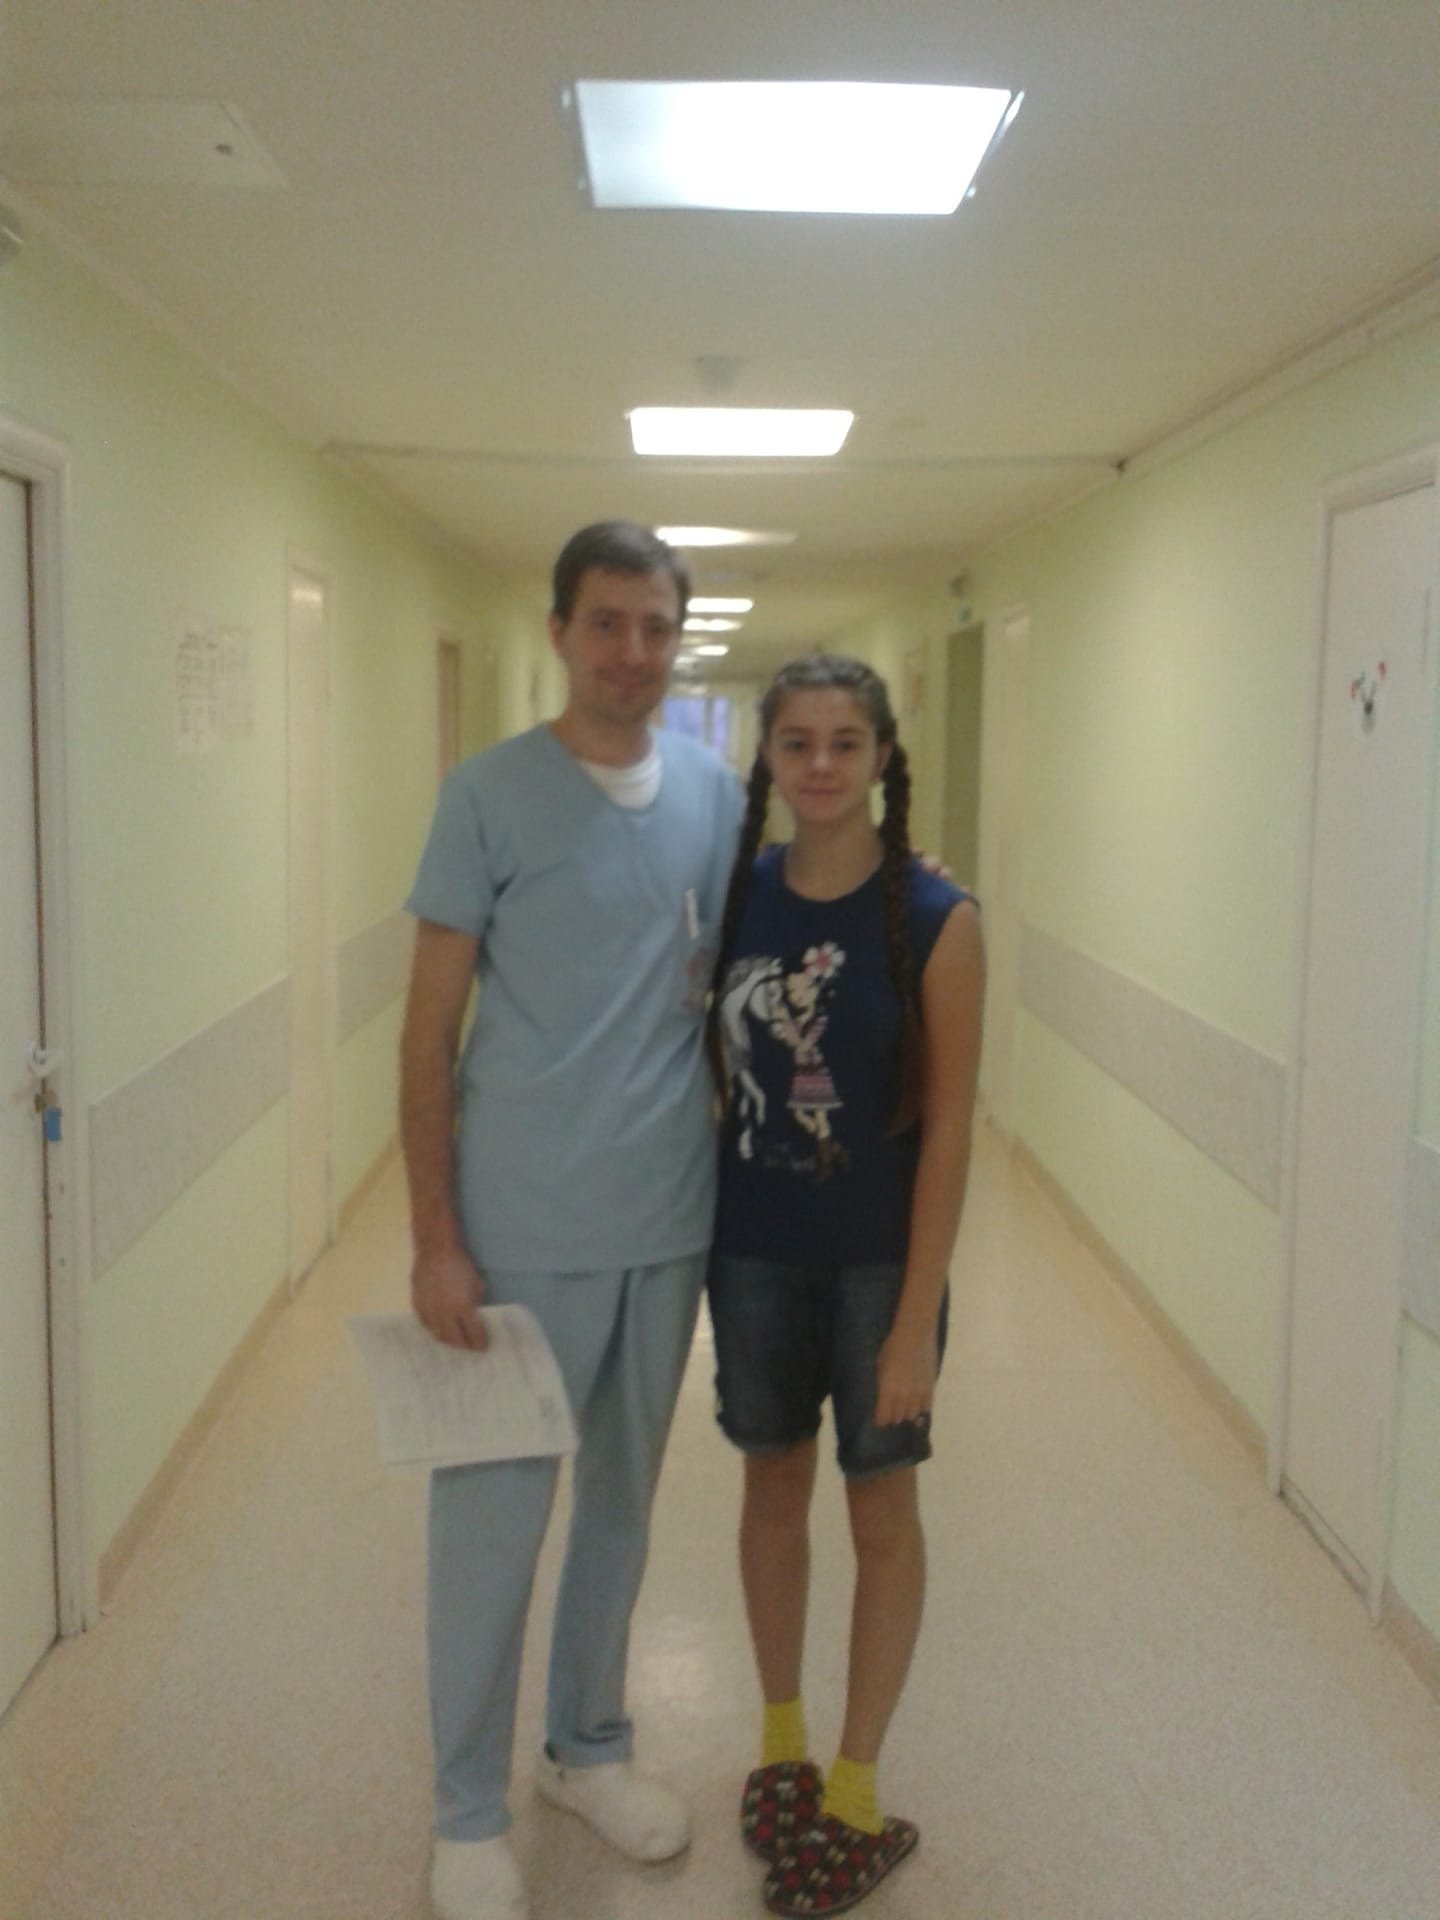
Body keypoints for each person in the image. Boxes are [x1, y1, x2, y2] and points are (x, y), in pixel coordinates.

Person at [400, 521, 743, 1920]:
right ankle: (465, 1808)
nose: (631, 652)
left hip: (666, 1218)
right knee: (491, 1522)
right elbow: (427, 1035)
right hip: (518, 1224)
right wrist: (436, 1236)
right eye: (605, 622)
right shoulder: (486, 797)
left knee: (620, 1508)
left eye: (656, 626)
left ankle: (587, 1748)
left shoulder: (717, 795)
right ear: (558, 632)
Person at [704, 654, 984, 1917]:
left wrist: (916, 1319)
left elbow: (951, 1130)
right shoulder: (737, 897)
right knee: (772, 1488)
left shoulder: (937, 917)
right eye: (798, 743)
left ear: (881, 757)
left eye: (846, 743)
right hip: (753, 1250)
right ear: (768, 757)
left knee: (880, 1514)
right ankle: (783, 1745)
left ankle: (857, 1790)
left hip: (880, 1267)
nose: (820, 765)